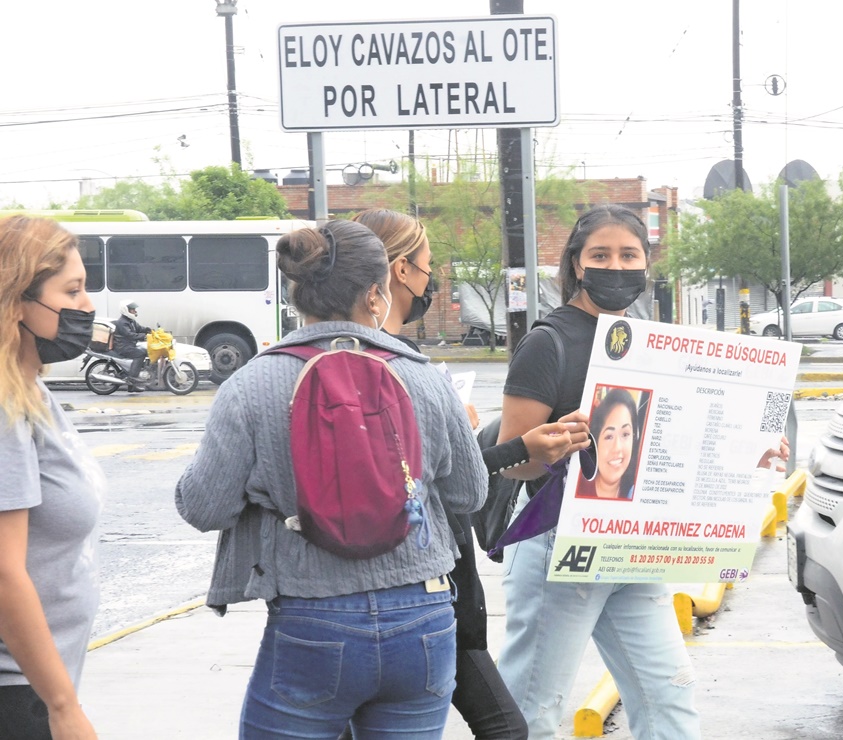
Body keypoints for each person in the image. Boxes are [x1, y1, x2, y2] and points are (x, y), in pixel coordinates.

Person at [176, 219, 488, 738]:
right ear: (376, 292)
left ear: (300, 294)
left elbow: (204, 507)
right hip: (423, 618)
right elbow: (469, 493)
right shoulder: (425, 378)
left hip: (313, 620)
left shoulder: (251, 384)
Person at [353, 207, 590, 740]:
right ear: (399, 271)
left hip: (352, 595)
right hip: (424, 589)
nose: (431, 281)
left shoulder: (317, 361)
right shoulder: (400, 367)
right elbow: (454, 487)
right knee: (505, 726)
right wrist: (515, 447)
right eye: (427, 266)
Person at [495, 204, 702, 739]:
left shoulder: (648, 341)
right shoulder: (548, 342)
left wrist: (751, 447)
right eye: (601, 255)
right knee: (534, 709)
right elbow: (510, 461)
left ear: (646, 263)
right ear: (577, 265)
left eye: (628, 254)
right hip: (557, 546)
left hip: (632, 543)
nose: (616, 265)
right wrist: (549, 448)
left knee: (670, 697)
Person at [0, 215, 105, 740]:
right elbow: (3, 571)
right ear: (17, 302)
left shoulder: (31, 391)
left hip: (38, 690)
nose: (87, 306)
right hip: (19, 697)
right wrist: (62, 707)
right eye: (73, 290)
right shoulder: (3, 407)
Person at [574, 387, 640, 500]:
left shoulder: (637, 490)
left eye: (625, 434)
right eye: (609, 436)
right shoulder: (575, 485)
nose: (617, 447)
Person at [112, 300, 150, 391]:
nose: (134, 311)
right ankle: (132, 378)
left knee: (145, 350)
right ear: (126, 310)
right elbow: (130, 335)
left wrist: (149, 330)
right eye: (132, 309)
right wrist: (144, 336)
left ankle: (133, 386)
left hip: (129, 345)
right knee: (140, 354)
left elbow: (139, 328)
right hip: (123, 347)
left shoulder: (130, 321)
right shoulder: (122, 322)